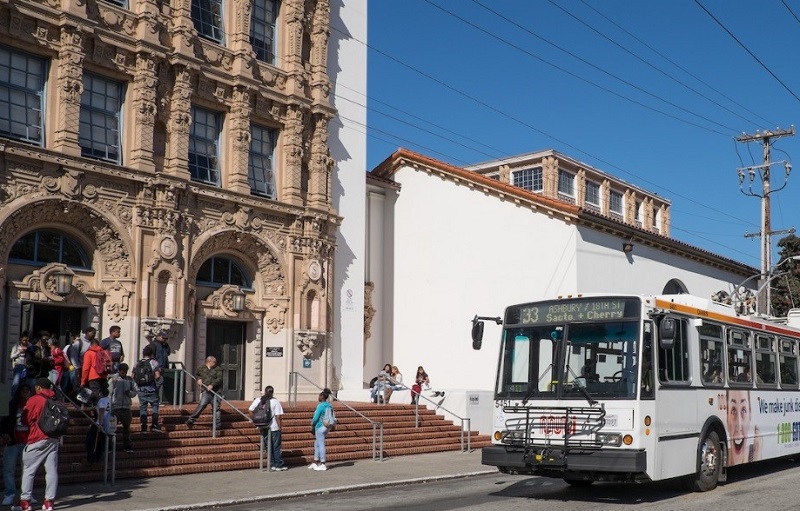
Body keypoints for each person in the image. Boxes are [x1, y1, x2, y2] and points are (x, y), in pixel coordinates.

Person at [19, 378, 60, 511]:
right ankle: (49, 502)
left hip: (37, 438)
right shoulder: (56, 400)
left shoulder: (35, 399)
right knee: (51, 471)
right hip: (53, 438)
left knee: (29, 470)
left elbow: (25, 419)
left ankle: (25, 503)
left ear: (38, 388)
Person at [1, 386, 31, 506]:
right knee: (8, 469)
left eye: (27, 391)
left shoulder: (32, 405)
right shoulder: (12, 405)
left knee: (27, 470)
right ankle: (9, 493)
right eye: (22, 391)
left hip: (28, 442)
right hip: (13, 441)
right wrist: (4, 434)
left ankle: (27, 494)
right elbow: (4, 422)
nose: (25, 393)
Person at [248, 385, 287, 471]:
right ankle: (278, 465)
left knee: (267, 446)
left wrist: (255, 420)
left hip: (263, 426)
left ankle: (271, 464)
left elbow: (250, 410)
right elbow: (278, 416)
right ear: (272, 392)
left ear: (265, 391)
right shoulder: (275, 401)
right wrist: (280, 428)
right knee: (276, 446)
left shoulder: (259, 400)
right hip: (274, 427)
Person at [185, 356, 223, 428]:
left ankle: (217, 424)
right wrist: (198, 379)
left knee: (216, 408)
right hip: (206, 391)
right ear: (209, 361)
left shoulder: (218, 369)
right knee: (202, 404)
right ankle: (191, 419)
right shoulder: (201, 368)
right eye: (214, 362)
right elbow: (197, 374)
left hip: (216, 391)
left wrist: (212, 385)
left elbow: (219, 379)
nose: (215, 363)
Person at [727, 389, 760, 465]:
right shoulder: (721, 455)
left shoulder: (757, 451)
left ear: (750, 416)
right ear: (727, 419)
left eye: (743, 411)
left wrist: (755, 458)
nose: (739, 426)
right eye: (733, 411)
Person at [109, 363, 137, 452]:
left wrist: (130, 394)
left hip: (126, 407)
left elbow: (135, 391)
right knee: (111, 428)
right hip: (115, 407)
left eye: (124, 371)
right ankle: (110, 446)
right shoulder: (113, 379)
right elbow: (109, 393)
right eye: (121, 371)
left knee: (127, 428)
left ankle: (127, 446)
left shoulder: (130, 380)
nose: (123, 373)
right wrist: (110, 405)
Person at [136, 345, 162, 433]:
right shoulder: (154, 363)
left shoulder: (137, 363)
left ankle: (143, 427)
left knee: (143, 408)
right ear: (151, 354)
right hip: (151, 388)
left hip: (141, 389)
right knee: (155, 406)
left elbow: (133, 376)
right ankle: (154, 425)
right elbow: (157, 376)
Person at [80, 337, 109, 405]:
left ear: (91, 345)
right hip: (103, 377)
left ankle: (97, 413)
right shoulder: (104, 353)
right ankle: (103, 413)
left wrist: (83, 381)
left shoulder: (89, 353)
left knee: (95, 396)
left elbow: (85, 368)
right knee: (102, 395)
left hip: (93, 377)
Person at [309, 389, 332, 471]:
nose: (318, 397)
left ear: (322, 397)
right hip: (327, 427)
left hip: (320, 426)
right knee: (317, 443)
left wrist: (312, 423)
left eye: (319, 396)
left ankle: (322, 463)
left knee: (321, 444)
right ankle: (315, 462)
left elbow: (316, 417)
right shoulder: (329, 405)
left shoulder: (321, 406)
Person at [148, 331, 171, 404]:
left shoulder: (164, 345)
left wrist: (166, 345)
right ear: (158, 336)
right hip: (156, 368)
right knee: (155, 383)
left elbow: (168, 352)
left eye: (165, 338)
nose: (164, 340)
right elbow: (150, 356)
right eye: (163, 338)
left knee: (159, 383)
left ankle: (155, 399)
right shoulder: (153, 344)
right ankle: (151, 399)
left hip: (163, 367)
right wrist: (155, 366)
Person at [9, 332, 31, 397]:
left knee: (25, 384)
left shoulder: (29, 345)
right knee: (16, 383)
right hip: (18, 366)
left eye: (26, 340)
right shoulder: (16, 346)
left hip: (26, 366)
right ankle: (13, 397)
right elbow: (12, 356)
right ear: (21, 339)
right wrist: (19, 352)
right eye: (23, 340)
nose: (25, 342)